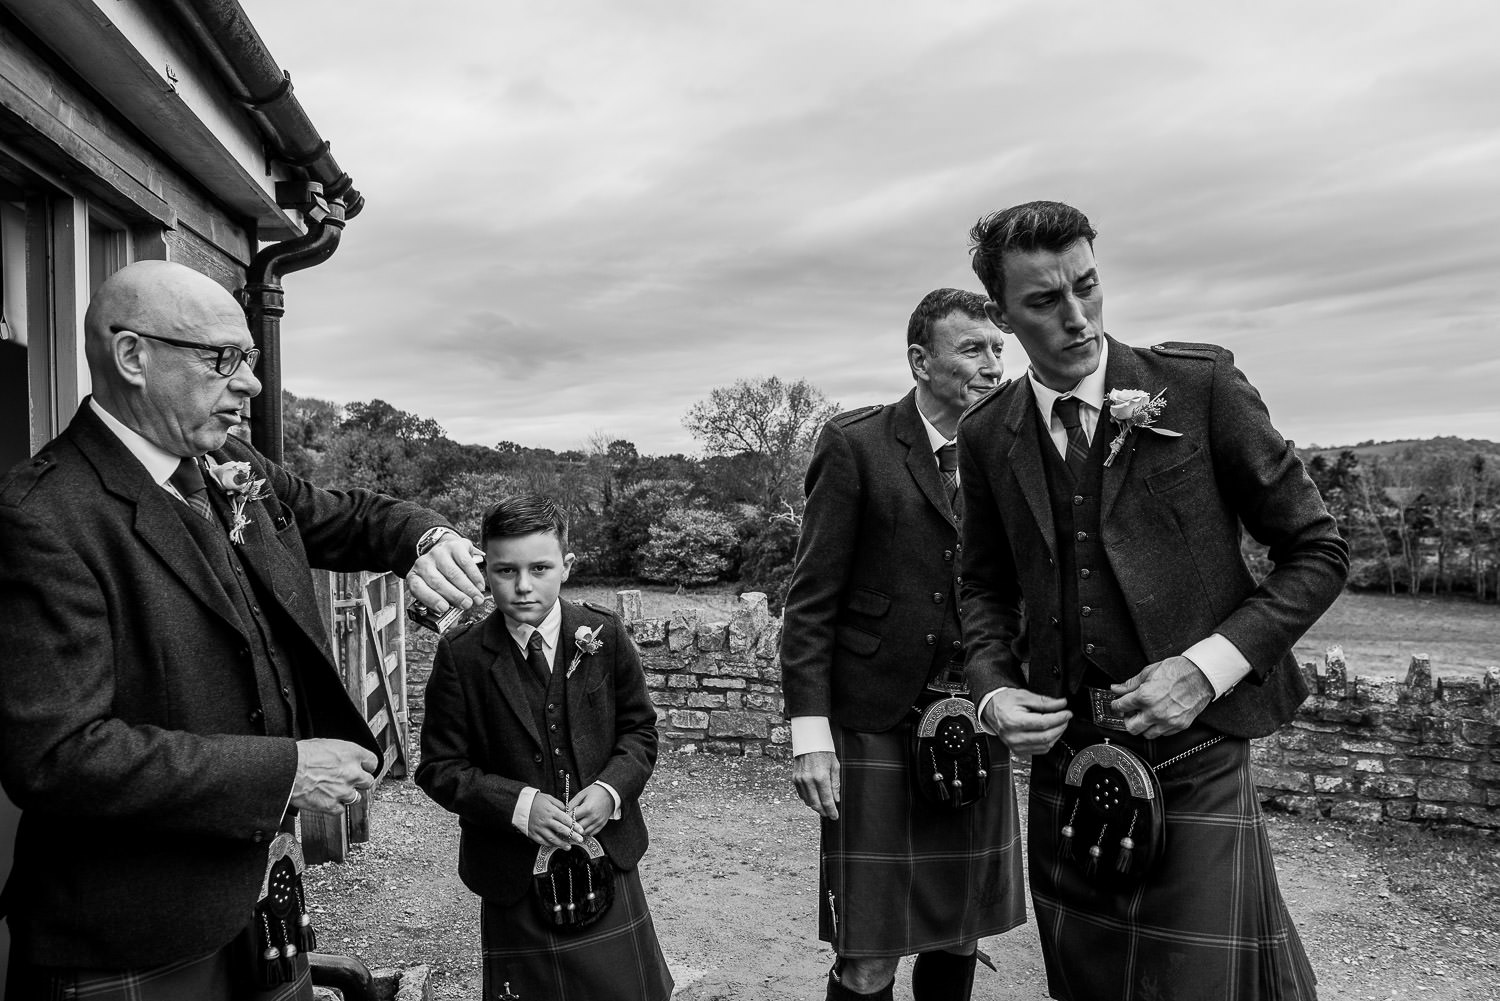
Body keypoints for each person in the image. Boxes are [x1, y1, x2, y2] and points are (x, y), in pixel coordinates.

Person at [0, 260, 485, 1001]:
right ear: (133, 356)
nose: (251, 384)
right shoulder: (42, 516)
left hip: (261, 903)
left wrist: (425, 539)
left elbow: (346, 514)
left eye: (250, 360)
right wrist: (285, 771)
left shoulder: (227, 461)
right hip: (130, 936)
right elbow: (57, 755)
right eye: (222, 359)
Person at [957, 201, 1350, 1000]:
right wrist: (992, 687)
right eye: (1044, 302)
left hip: (1198, 752)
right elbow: (984, 589)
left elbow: (1318, 549)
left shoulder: (1197, 388)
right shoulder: (986, 431)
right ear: (1002, 315)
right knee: (1087, 984)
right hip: (1068, 762)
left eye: (1088, 287)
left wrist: (1206, 670)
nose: (1078, 318)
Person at [780, 289, 1026, 1001]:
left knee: (959, 933)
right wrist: (809, 732)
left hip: (976, 720)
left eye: (998, 350)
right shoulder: (856, 444)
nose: (992, 365)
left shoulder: (1009, 453)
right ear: (920, 360)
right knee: (869, 953)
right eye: (973, 349)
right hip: (875, 720)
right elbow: (811, 601)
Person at [416, 493, 672, 1001]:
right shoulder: (462, 657)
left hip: (607, 857)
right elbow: (439, 768)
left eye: (540, 567)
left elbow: (640, 732)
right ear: (486, 569)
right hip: (513, 874)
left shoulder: (604, 634)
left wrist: (610, 791)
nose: (524, 585)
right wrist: (518, 805)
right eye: (507, 571)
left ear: (566, 566)